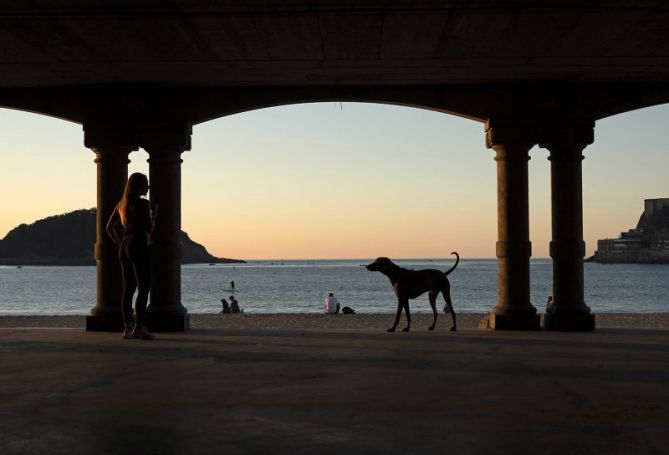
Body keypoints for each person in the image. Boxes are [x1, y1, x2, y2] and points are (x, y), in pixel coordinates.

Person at [106, 172, 157, 340]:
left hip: (125, 243)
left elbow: (109, 227)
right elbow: (149, 228)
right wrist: (154, 214)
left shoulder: (121, 204)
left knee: (128, 289)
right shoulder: (143, 203)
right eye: (146, 184)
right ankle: (139, 327)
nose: (148, 187)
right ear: (139, 186)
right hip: (138, 241)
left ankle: (127, 328)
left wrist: (119, 243)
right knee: (144, 288)